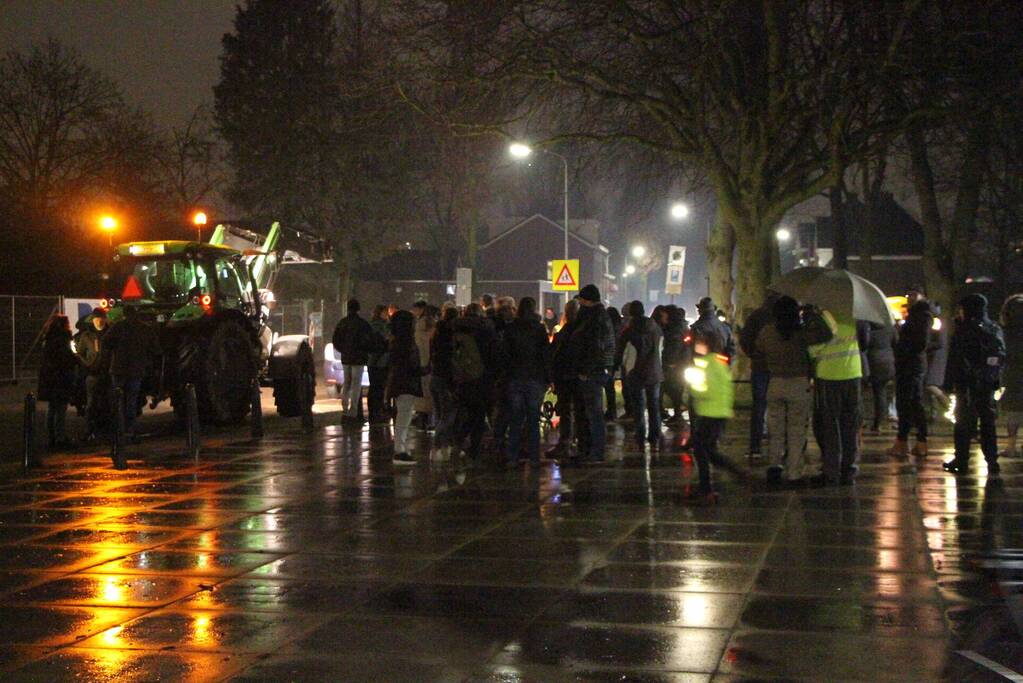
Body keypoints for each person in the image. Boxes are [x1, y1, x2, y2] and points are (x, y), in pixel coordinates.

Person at [943, 294, 1006, 475]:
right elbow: (1000, 357)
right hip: (987, 383)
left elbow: (955, 359)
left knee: (963, 423)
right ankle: (992, 460)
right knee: (988, 423)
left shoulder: (964, 330)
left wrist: (949, 383)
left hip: (967, 383)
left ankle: (961, 460)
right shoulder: (993, 328)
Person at [757, 296, 812, 485]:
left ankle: (774, 465)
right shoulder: (803, 334)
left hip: (776, 382)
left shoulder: (767, 332)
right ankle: (794, 472)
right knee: (796, 430)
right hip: (799, 383)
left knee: (776, 429)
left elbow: (759, 351)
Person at [808, 308, 861, 485]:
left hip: (829, 375)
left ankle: (831, 470)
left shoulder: (823, 318)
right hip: (853, 374)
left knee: (830, 426)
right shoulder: (852, 316)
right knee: (850, 425)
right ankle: (849, 469)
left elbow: (813, 350)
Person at [565, 284, 615, 464]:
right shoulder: (596, 316)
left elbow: (594, 347)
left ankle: (596, 452)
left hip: (593, 372)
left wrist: (586, 370)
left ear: (587, 300)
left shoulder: (595, 319)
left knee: (593, 413)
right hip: (594, 370)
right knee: (589, 412)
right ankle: (589, 450)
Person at [684, 330, 736, 503]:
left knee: (702, 450)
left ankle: (707, 488)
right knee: (707, 450)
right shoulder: (718, 362)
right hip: (719, 411)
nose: (696, 346)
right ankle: (709, 485)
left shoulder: (703, 364)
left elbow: (701, 389)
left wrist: (692, 388)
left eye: (699, 342)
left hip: (709, 412)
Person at [499, 297, 550, 467]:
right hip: (535, 377)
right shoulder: (539, 329)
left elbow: (505, 355)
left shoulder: (511, 328)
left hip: (515, 377)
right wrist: (547, 378)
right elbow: (545, 355)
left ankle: (513, 457)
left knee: (515, 419)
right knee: (533, 419)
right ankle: (534, 457)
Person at [104, 305, 159, 446]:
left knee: (117, 400)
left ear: (124, 314)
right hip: (136, 370)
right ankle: (129, 431)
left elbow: (105, 342)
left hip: (118, 369)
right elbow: (155, 348)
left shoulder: (118, 326)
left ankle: (116, 431)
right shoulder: (144, 328)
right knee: (131, 401)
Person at [889, 285, 934, 457]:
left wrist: (902, 347)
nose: (910, 297)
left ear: (922, 296)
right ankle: (915, 442)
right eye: (909, 294)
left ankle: (905, 442)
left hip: (910, 365)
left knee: (907, 403)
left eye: (915, 294)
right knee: (913, 403)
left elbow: (920, 342)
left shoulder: (922, 316)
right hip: (911, 364)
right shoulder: (916, 315)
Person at [451, 303, 497, 463]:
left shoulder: (455, 329)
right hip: (482, 378)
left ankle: (457, 440)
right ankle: (473, 449)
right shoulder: (486, 329)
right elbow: (493, 354)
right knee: (479, 415)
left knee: (467, 412)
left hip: (462, 378)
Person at [616, 301, 663, 448]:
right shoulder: (656, 329)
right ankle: (655, 435)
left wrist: (620, 366)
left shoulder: (629, 331)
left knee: (638, 406)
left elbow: (621, 352)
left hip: (635, 372)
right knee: (654, 404)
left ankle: (640, 434)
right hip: (654, 371)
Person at [740, 292, 778, 459]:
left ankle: (755, 446)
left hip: (760, 367)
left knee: (759, 406)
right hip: (779, 368)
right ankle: (778, 448)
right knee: (778, 407)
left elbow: (745, 339)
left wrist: (753, 355)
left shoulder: (756, 316)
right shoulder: (782, 316)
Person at [385, 310, 422, 466]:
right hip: (406, 382)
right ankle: (400, 450)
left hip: (399, 381)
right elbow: (411, 364)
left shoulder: (395, 341)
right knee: (404, 417)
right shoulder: (407, 343)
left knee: (403, 416)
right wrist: (424, 369)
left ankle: (401, 449)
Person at [37, 314, 78, 450]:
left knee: (52, 408)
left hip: (49, 378)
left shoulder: (47, 339)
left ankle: (51, 436)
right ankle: (60, 437)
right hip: (61, 377)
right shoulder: (65, 339)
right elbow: (70, 357)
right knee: (61, 408)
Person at [331, 299, 374, 424]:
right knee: (356, 384)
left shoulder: (342, 323)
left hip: (346, 357)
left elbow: (336, 339)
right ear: (358, 309)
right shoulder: (363, 324)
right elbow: (369, 340)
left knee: (347, 383)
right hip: (359, 358)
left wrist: (343, 350)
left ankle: (344, 410)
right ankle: (353, 412)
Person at [547, 299, 579, 458]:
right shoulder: (584, 331)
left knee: (566, 410)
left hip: (566, 377)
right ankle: (578, 442)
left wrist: (552, 377)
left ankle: (566, 442)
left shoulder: (564, 334)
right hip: (579, 377)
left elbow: (555, 356)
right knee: (578, 410)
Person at [429, 305, 458, 460]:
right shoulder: (451, 338)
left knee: (440, 413)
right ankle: (438, 446)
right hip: (447, 378)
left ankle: (442, 447)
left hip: (435, 376)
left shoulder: (436, 335)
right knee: (448, 415)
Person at [999, 294, 1023, 458]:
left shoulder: (1006, 332)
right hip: (1013, 372)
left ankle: (1011, 446)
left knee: (1013, 411)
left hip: (1013, 374)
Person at [864, 320, 895, 432]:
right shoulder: (890, 329)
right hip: (889, 362)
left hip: (873, 362)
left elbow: (864, 345)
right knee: (881, 393)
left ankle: (866, 421)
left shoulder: (868, 330)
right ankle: (879, 422)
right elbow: (895, 343)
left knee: (876, 392)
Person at [661, 305, 690, 424]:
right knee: (676, 388)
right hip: (681, 362)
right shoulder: (680, 327)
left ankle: (678, 411)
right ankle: (678, 411)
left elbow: (674, 346)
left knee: (670, 387)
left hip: (674, 364)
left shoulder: (674, 329)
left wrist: (670, 362)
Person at [411, 301, 435, 429]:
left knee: (425, 387)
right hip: (422, 358)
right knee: (424, 387)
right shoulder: (425, 321)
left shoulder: (425, 322)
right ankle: (424, 415)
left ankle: (424, 415)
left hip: (423, 358)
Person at [366, 305, 391, 424]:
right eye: (385, 312)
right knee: (380, 387)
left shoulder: (370, 326)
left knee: (373, 387)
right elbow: (387, 339)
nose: (387, 315)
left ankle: (373, 413)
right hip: (381, 360)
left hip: (371, 360)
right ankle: (378, 412)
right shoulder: (383, 326)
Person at [605, 306, 623, 420]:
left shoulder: (609, 328)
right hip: (615, 359)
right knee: (610, 386)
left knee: (608, 386)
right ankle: (612, 410)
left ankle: (611, 411)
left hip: (609, 359)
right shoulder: (620, 328)